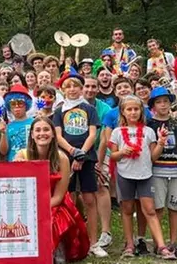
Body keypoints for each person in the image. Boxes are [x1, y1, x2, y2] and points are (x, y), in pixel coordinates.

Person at [108, 95, 176, 260]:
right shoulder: (117, 132)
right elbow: (113, 156)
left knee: (150, 210)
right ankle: (129, 244)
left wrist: (160, 143)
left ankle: (161, 246)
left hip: (145, 174)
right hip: (125, 175)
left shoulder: (148, 131)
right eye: (129, 109)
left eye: (136, 109)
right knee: (127, 209)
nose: (133, 112)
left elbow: (153, 157)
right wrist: (122, 152)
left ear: (141, 111)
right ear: (123, 112)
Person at [15, 117, 90, 263]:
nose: (42, 133)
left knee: (54, 219)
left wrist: (40, 209)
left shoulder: (62, 158)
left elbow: (59, 196)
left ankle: (56, 254)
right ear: (31, 134)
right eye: (37, 130)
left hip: (55, 202)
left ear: (53, 134)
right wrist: (17, 167)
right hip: (27, 204)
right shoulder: (22, 155)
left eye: (46, 130)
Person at [52, 72, 106, 258]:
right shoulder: (59, 111)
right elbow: (58, 136)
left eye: (76, 85)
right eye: (68, 86)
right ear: (63, 89)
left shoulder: (89, 108)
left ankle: (93, 242)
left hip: (87, 157)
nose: (72, 89)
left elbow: (92, 134)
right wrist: (72, 152)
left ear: (81, 88)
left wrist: (81, 154)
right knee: (69, 199)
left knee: (90, 199)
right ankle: (70, 241)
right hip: (65, 158)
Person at [146, 87, 177, 257]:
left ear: (171, 103)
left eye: (166, 101)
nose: (163, 105)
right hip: (157, 170)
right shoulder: (150, 124)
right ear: (153, 105)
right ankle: (158, 242)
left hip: (175, 170)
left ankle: (173, 242)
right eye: (159, 102)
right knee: (158, 207)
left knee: (175, 207)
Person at [82, 77, 114, 250]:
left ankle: (106, 232)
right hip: (78, 152)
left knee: (101, 186)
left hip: (100, 151)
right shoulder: (71, 107)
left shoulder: (106, 109)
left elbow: (103, 139)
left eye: (93, 86)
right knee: (80, 191)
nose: (90, 89)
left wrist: (99, 163)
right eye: (87, 86)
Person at [0, 84, 33, 162]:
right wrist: (3, 133)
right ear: (9, 107)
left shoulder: (34, 123)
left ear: (26, 105)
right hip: (14, 165)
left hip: (32, 163)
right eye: (13, 104)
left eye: (20, 103)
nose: (17, 107)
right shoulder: (8, 126)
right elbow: (3, 152)